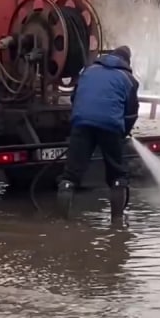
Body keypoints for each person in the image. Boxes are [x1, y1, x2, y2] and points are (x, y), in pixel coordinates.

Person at [58, 45, 140, 222]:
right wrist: (123, 132)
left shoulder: (88, 71)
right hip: (111, 127)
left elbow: (75, 98)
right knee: (117, 174)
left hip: (81, 124)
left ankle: (62, 222)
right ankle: (117, 224)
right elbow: (131, 112)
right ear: (127, 61)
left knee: (70, 175)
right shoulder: (129, 79)